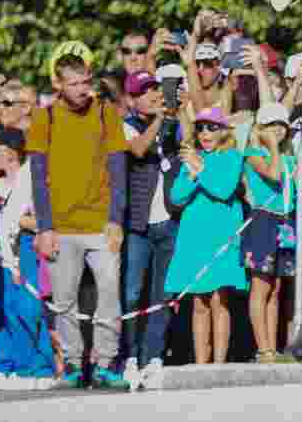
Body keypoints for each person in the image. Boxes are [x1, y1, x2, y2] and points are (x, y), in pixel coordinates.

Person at [27, 49, 130, 389]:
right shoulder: (45, 118)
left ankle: (104, 364)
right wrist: (44, 227)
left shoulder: (105, 113)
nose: (83, 89)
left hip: (101, 225)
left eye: (86, 82)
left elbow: (118, 167)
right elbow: (38, 176)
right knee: (65, 301)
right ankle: (72, 366)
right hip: (61, 227)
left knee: (110, 295)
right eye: (74, 84)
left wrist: (116, 219)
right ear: (57, 84)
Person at [163, 106, 248, 364]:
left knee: (219, 302)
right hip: (194, 239)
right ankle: (201, 363)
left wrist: (200, 169)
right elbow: (176, 197)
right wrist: (191, 172)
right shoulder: (194, 159)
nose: (205, 133)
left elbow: (223, 189)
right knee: (199, 304)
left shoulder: (232, 157)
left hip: (221, 239)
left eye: (212, 127)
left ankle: (219, 364)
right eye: (200, 127)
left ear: (224, 131)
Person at [120, 71, 181, 390]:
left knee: (164, 293)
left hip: (168, 222)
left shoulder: (172, 125)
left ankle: (153, 356)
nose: (154, 95)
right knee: (131, 291)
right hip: (137, 224)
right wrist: (160, 120)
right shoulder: (127, 124)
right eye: (145, 92)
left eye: (156, 89)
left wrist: (178, 114)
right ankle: (129, 357)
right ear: (132, 99)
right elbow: (139, 149)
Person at [0, 128, 55, 389]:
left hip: (29, 247)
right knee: (12, 311)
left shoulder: (30, 177)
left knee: (30, 309)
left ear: (12, 154)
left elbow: (42, 218)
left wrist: (25, 221)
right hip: (7, 257)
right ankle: (21, 366)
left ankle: (41, 367)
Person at [241, 103, 298, 364]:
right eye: (271, 125)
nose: (277, 130)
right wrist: (272, 146)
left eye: (281, 125)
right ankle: (262, 348)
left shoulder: (290, 157)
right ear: (260, 129)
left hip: (285, 222)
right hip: (263, 219)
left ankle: (272, 347)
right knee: (261, 286)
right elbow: (273, 176)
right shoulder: (254, 154)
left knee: (276, 288)